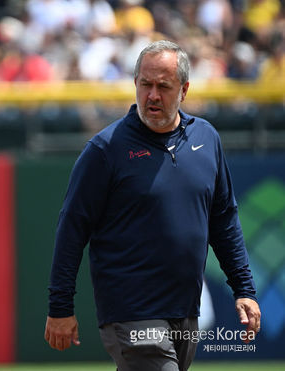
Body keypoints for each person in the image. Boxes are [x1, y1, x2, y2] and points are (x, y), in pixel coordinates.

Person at [44, 40, 261, 371]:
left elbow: (224, 220)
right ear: (135, 84)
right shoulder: (105, 150)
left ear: (184, 90)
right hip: (131, 310)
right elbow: (71, 229)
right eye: (145, 85)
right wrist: (60, 307)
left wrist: (244, 289)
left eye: (164, 86)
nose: (153, 95)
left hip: (185, 308)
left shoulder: (206, 138)